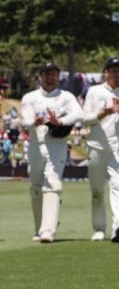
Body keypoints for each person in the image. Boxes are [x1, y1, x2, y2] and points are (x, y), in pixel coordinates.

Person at [21, 62, 85, 242]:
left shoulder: (66, 97)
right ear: (39, 77)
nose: (50, 77)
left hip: (56, 144)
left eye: (53, 74)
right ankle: (40, 228)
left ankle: (48, 230)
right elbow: (25, 120)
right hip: (35, 143)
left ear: (58, 77)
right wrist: (35, 121)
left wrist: (60, 122)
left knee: (53, 183)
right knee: (36, 188)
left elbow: (79, 114)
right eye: (46, 74)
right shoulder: (30, 97)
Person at [83, 57, 119, 242]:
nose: (117, 73)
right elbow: (86, 119)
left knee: (117, 185)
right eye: (113, 70)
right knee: (97, 190)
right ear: (106, 72)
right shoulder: (94, 91)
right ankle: (99, 228)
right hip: (97, 146)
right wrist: (104, 112)